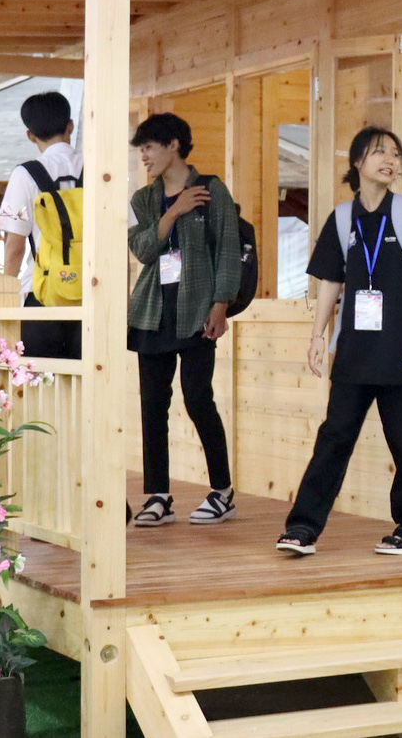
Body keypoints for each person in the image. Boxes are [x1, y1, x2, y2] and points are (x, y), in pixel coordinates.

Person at [275, 128, 402, 556]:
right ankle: (301, 528)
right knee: (334, 437)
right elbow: (332, 282)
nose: (389, 160)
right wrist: (318, 337)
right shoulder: (340, 219)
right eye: (378, 153)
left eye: (394, 153)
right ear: (357, 162)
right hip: (354, 354)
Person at [126, 113, 241, 528]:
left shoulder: (211, 190)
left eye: (149, 147)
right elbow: (140, 249)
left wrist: (220, 305)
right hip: (151, 313)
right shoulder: (143, 199)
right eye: (141, 149)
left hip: (196, 311)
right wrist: (172, 214)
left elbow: (227, 249)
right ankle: (158, 495)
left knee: (198, 399)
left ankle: (222, 491)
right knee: (153, 406)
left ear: (174, 144)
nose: (144, 156)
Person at [0, 91, 83, 360]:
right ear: (70, 125)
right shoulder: (99, 169)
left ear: (30, 135)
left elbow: (15, 244)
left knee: (40, 388)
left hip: (42, 292)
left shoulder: (26, 174)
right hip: (94, 293)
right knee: (90, 388)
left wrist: (4, 296)